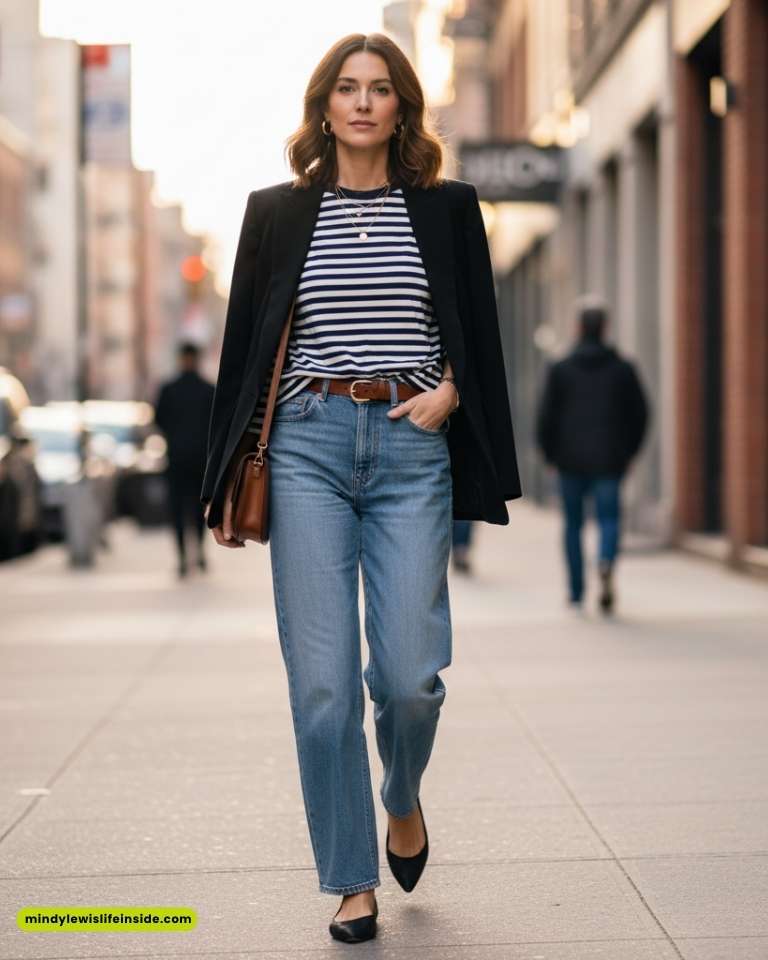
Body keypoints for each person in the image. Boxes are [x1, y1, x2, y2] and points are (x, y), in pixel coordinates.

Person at [201, 33, 521, 945]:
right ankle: (351, 880)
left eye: (381, 89)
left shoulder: (448, 208)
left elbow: (476, 333)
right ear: (325, 106)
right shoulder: (275, 212)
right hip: (305, 445)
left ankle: (402, 793)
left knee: (411, 677)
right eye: (347, 88)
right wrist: (218, 480)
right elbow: (243, 349)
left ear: (402, 107)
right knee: (324, 688)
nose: (364, 103)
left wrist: (451, 392)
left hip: (411, 445)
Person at [536, 298, 649, 614]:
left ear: (578, 328)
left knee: (573, 525)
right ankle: (605, 560)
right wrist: (630, 451)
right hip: (610, 459)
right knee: (609, 518)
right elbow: (641, 413)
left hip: (569, 461)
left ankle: (576, 591)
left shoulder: (560, 368)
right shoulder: (623, 369)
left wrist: (549, 455)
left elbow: (546, 417)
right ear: (605, 328)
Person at [155, 342, 214, 578]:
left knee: (177, 509)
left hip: (176, 458)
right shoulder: (208, 389)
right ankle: (198, 552)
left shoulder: (169, 389)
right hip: (201, 459)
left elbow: (159, 420)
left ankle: (182, 557)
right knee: (200, 508)